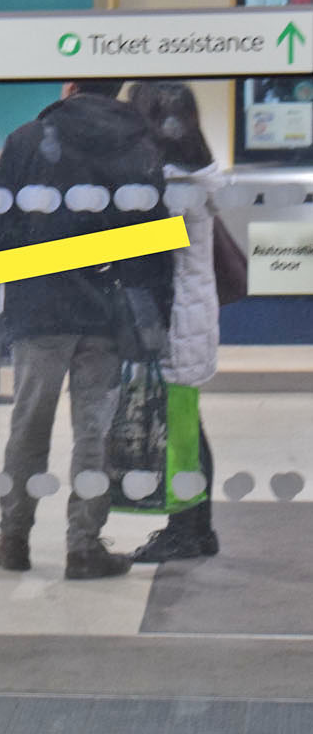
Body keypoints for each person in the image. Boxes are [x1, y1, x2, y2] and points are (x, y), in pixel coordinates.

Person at [0, 79, 173, 580]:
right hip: (108, 310)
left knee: (29, 424)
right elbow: (154, 238)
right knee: (95, 429)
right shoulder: (140, 145)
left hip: (40, 307)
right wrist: (153, 311)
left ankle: (14, 539)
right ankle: (84, 545)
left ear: (70, 87)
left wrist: (25, 267)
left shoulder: (27, 139)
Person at [126, 81, 223, 562]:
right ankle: (198, 529)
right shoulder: (193, 171)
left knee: (181, 431)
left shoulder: (174, 184)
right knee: (187, 426)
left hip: (178, 320)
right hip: (189, 313)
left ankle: (186, 530)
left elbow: (151, 246)